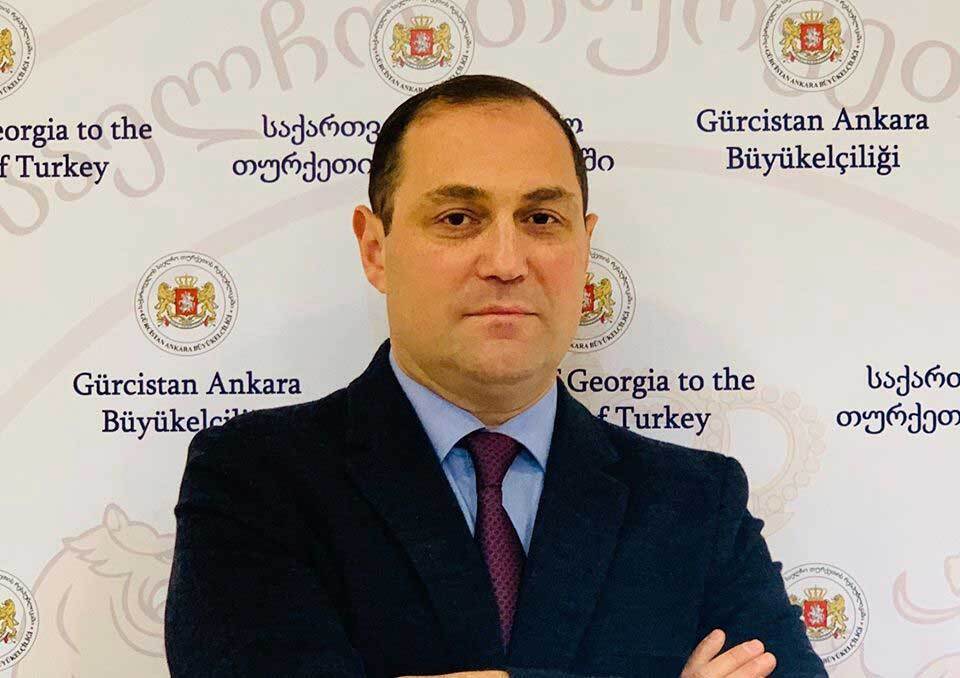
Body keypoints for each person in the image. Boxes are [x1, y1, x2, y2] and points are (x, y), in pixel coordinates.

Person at [163, 74, 827, 678]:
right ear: (375, 249)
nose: (507, 262)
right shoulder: (257, 480)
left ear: (584, 245)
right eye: (458, 219)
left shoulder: (697, 504)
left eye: (541, 219)